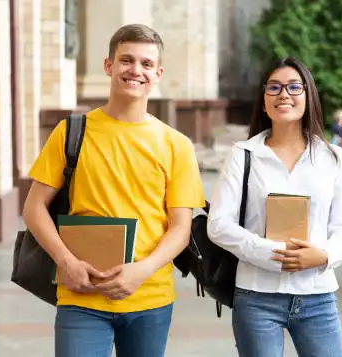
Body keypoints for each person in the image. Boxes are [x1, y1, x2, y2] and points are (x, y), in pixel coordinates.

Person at [22, 24, 205, 357]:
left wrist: (140, 271)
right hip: (80, 293)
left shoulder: (176, 145)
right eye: (126, 60)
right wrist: (66, 261)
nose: (136, 70)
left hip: (150, 297)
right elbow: (34, 208)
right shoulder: (71, 132)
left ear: (158, 73)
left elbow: (181, 228)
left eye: (146, 64)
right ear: (109, 66)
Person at [207, 57, 342, 357]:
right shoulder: (243, 155)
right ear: (264, 102)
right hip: (256, 295)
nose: (283, 94)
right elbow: (218, 224)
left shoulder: (334, 158)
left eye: (293, 87)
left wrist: (323, 255)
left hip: (317, 295)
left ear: (308, 97)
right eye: (274, 87)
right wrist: (270, 253)